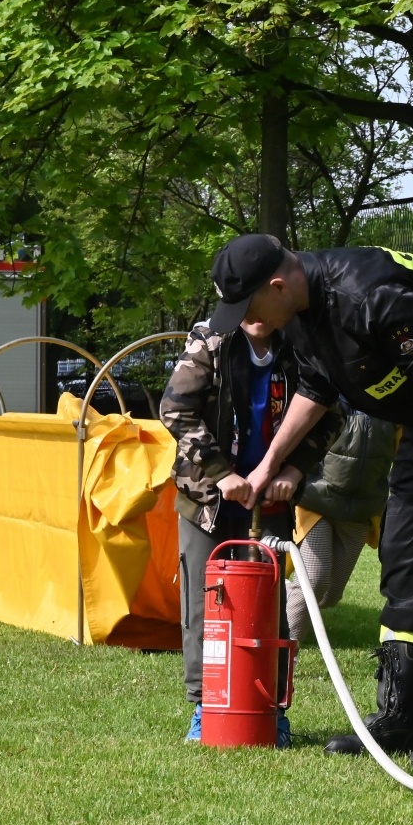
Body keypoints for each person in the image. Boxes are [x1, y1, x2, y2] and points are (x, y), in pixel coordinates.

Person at [208, 234, 413, 765]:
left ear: (277, 285)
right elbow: (316, 389)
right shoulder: (303, 315)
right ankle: (399, 719)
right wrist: (268, 466)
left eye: (249, 307)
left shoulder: (370, 293)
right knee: (405, 555)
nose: (249, 320)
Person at [159, 313, 341, 747]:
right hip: (209, 499)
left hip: (270, 501)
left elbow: (333, 414)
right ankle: (206, 707)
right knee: (207, 610)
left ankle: (271, 710)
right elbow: (176, 410)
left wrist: (295, 470)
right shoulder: (210, 341)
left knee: (268, 611)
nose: (256, 314)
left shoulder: (300, 344)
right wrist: (221, 473)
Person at [285, 404, 399, 645]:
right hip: (315, 500)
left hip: (360, 509)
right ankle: (285, 655)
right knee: (314, 581)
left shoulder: (392, 398)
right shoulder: (329, 390)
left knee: (330, 594)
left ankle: (281, 595)